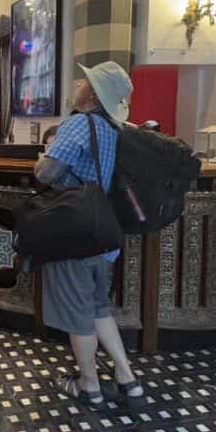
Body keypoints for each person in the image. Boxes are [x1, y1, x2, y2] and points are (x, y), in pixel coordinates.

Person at [34, 61, 145, 410]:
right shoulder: (116, 128)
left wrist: (40, 161)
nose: (79, 82)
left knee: (78, 314)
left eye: (86, 81)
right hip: (104, 234)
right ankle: (127, 378)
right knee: (99, 307)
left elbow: (47, 172)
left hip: (74, 233)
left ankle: (89, 386)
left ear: (92, 94)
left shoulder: (78, 125)